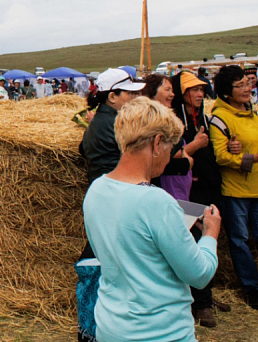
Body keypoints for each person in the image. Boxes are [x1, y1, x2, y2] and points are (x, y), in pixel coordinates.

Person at [84, 96, 220, 342]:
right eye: (170, 149)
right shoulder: (157, 202)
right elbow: (199, 274)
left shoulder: (96, 190)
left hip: (111, 325)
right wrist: (210, 234)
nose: (169, 157)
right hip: (160, 332)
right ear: (157, 143)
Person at [169, 70, 233, 326]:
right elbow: (172, 157)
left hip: (210, 188)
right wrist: (193, 145)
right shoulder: (174, 122)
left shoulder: (204, 119)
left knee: (209, 240)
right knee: (193, 243)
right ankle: (201, 304)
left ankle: (205, 294)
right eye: (192, 90)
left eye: (201, 89)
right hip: (186, 192)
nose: (199, 94)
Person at [209, 65, 258, 310]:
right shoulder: (219, 118)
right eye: (239, 85)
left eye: (247, 83)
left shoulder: (253, 112)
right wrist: (251, 158)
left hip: (257, 187)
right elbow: (220, 156)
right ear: (227, 92)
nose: (247, 88)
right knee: (239, 241)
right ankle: (251, 288)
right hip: (235, 191)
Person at [81, 68, 146, 186]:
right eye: (129, 93)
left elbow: (82, 149)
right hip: (119, 187)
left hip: (100, 187)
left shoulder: (96, 121)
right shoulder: (118, 123)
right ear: (112, 97)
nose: (134, 97)